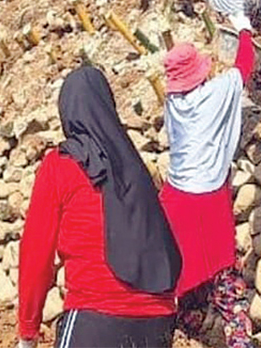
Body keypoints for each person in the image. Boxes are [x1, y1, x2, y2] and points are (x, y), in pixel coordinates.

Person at [18, 66, 181, 348]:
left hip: (94, 319)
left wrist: (28, 329)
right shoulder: (134, 166)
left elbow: (36, 253)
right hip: (157, 321)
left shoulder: (60, 166)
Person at [159, 27, 256, 348]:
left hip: (175, 201)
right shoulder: (215, 94)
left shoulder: (173, 103)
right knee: (226, 281)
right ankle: (240, 341)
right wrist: (244, 31)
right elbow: (244, 66)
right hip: (208, 202)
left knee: (187, 280)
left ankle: (184, 337)